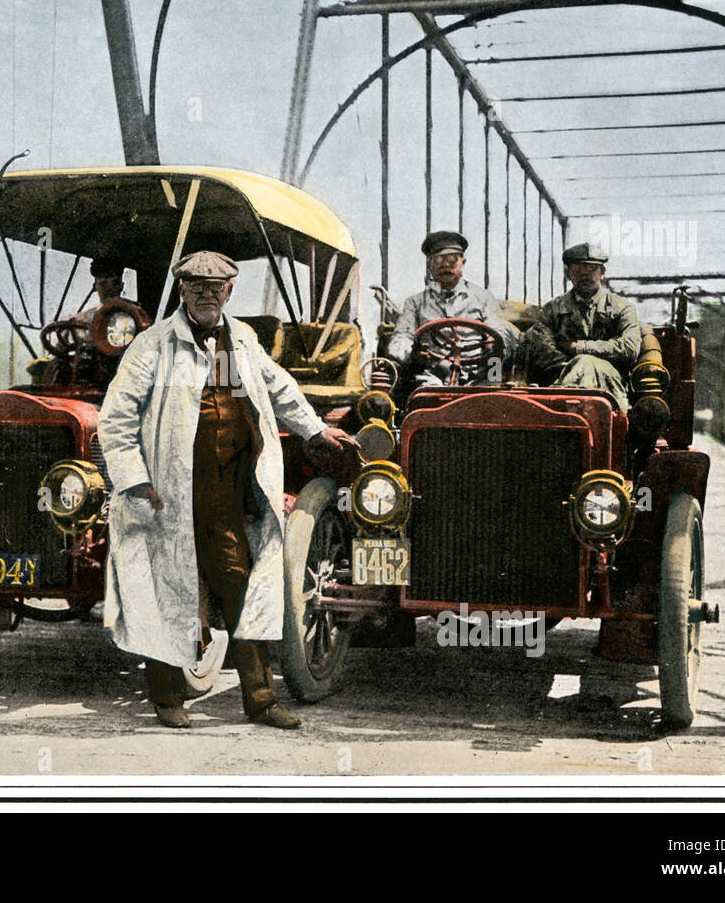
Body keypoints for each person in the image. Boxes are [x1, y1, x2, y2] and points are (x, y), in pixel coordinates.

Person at [97, 250, 360, 730]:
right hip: (167, 495)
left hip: (226, 493)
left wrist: (315, 431)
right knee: (164, 589)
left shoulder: (242, 340)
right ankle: (167, 699)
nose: (205, 295)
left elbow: (278, 388)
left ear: (229, 291)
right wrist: (134, 481)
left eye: (215, 288)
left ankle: (260, 700)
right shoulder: (153, 346)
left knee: (242, 586)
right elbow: (115, 420)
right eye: (196, 287)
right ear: (182, 291)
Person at [386, 230, 519, 386]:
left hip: (481, 372)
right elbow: (401, 337)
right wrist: (410, 354)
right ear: (429, 264)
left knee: (495, 392)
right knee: (426, 395)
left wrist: (495, 344)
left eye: (453, 259)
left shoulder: (483, 297)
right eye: (438, 259)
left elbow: (500, 331)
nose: (445, 265)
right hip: (433, 373)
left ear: (463, 262)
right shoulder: (415, 303)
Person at [521, 242, 642, 411]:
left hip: (609, 385)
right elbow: (542, 351)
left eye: (592, 268)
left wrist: (580, 348)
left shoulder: (621, 308)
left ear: (602, 273)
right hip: (562, 379)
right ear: (568, 273)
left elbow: (629, 348)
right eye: (578, 269)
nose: (585, 274)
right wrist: (577, 365)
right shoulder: (553, 310)